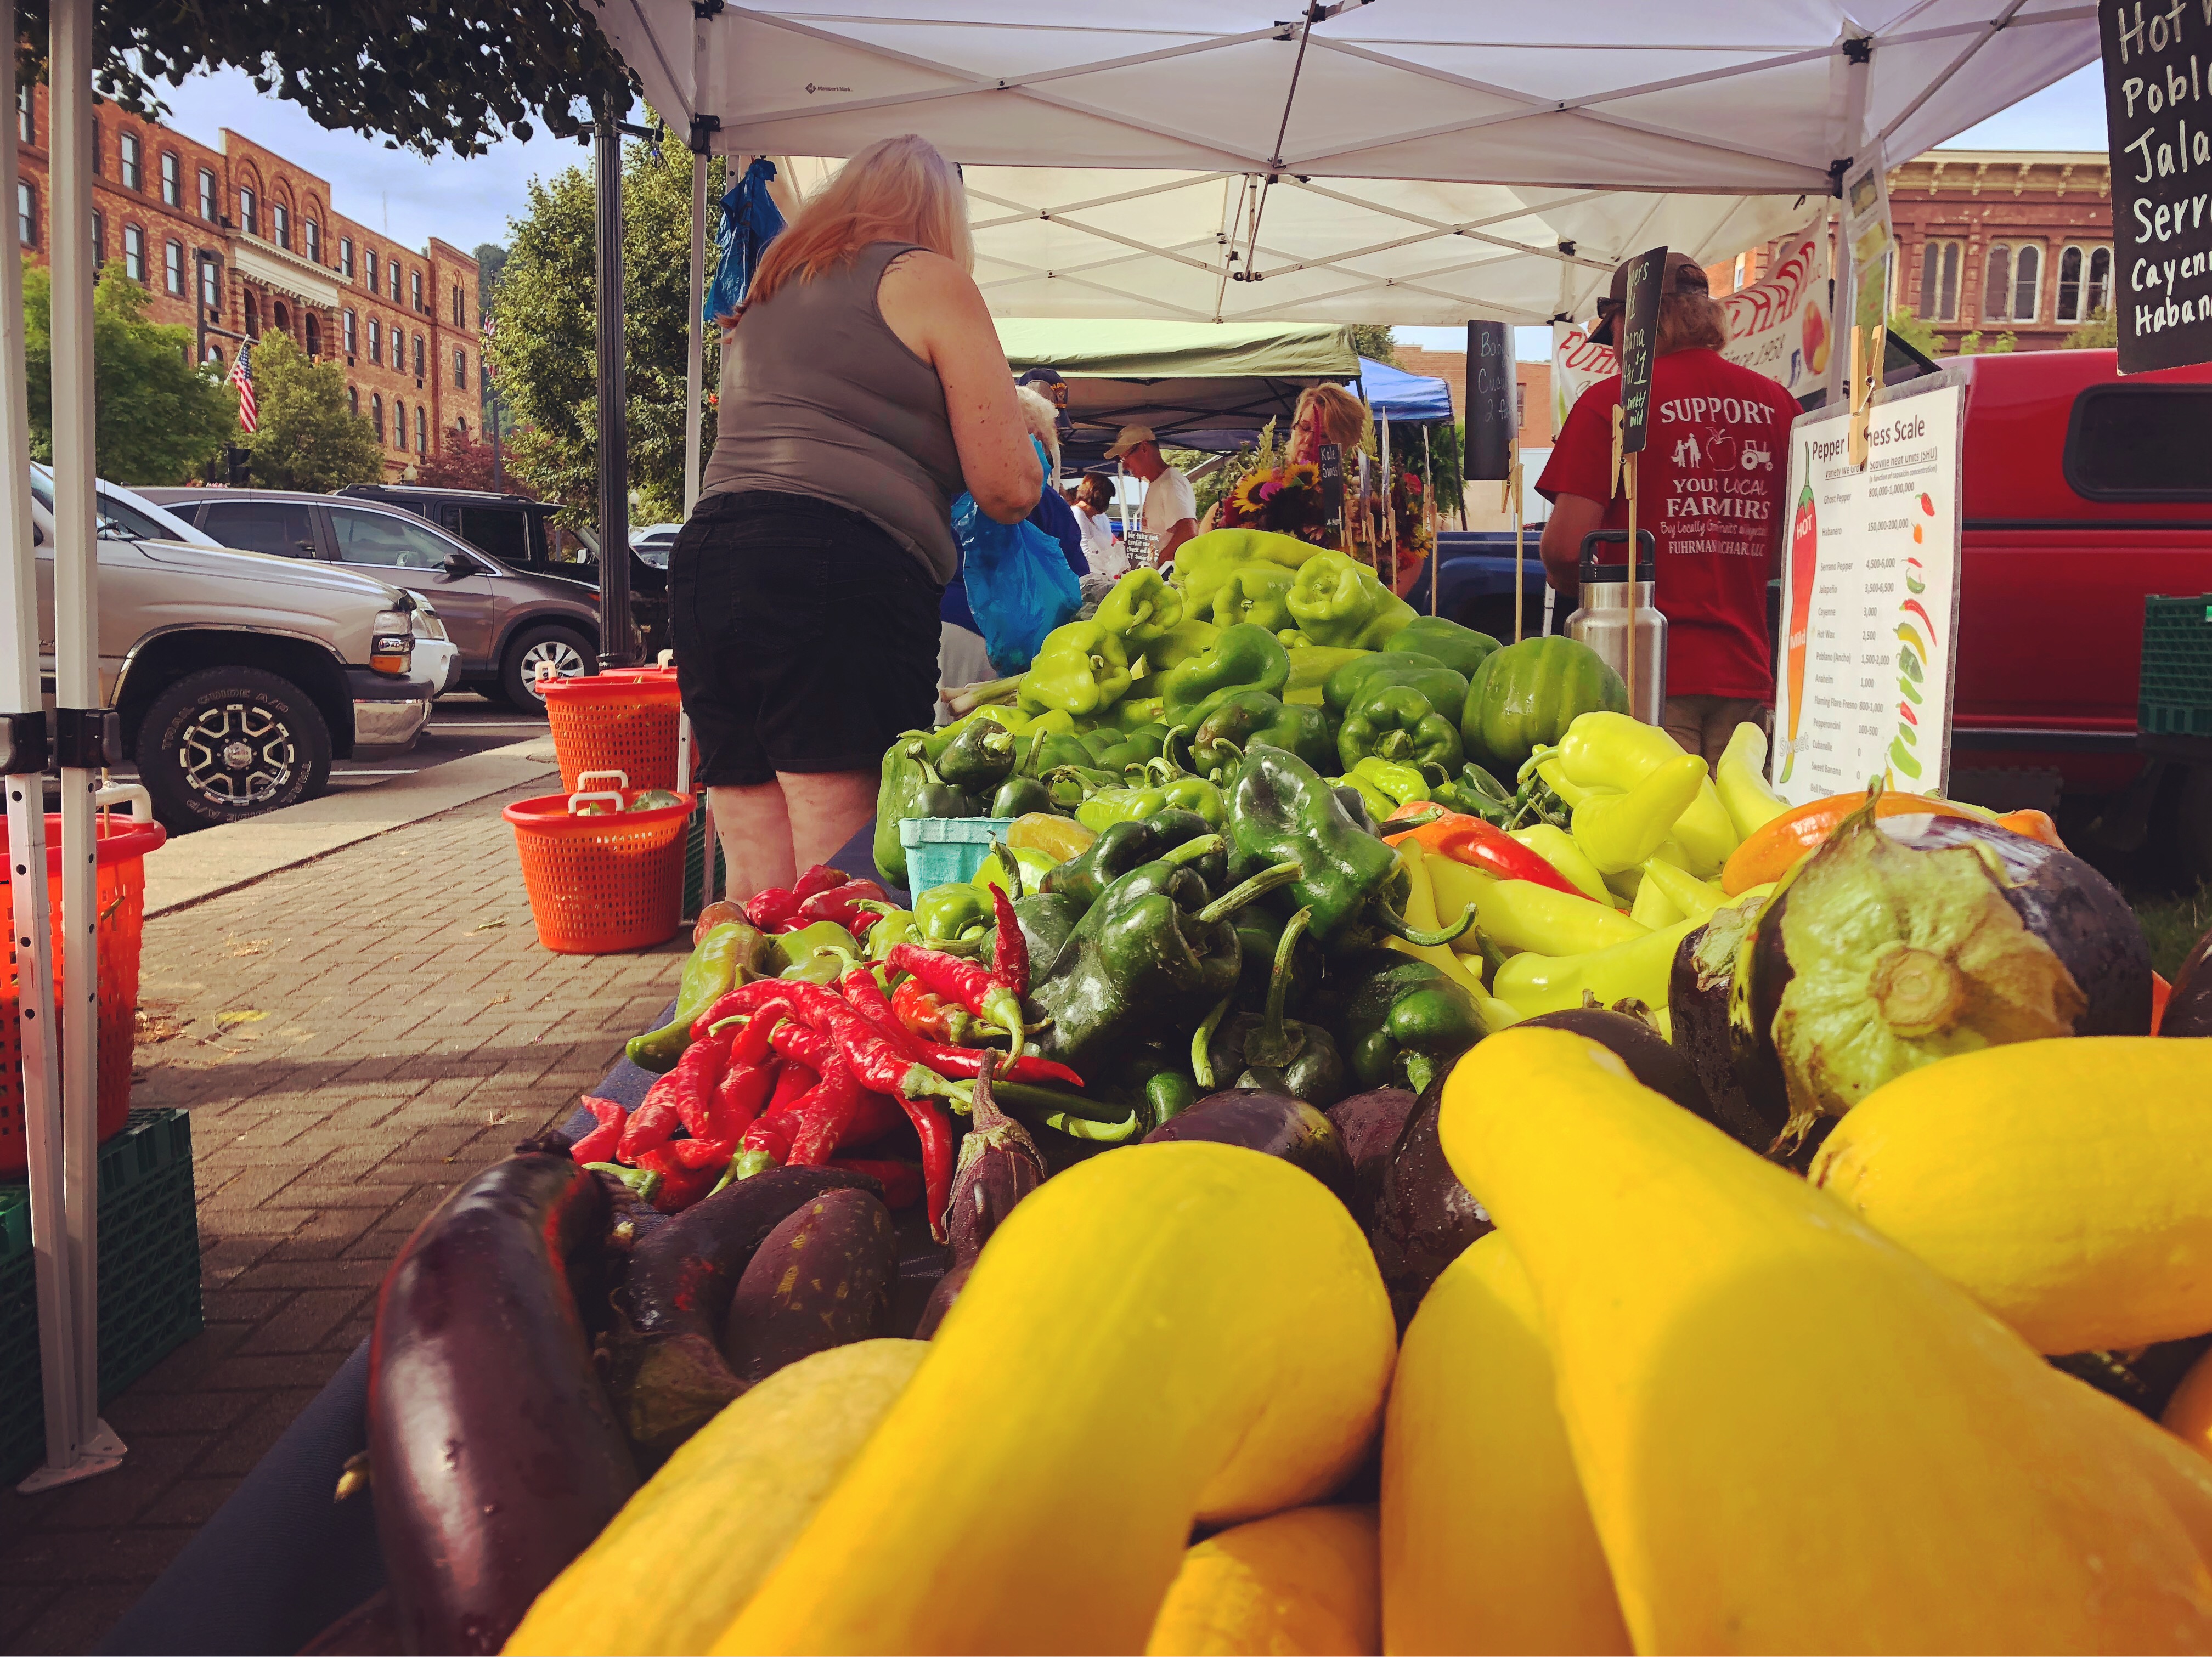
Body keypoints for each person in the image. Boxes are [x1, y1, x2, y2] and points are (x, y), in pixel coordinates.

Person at [674, 133, 1042, 902]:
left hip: (711, 563)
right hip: (835, 571)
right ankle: (828, 1019)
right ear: (944, 217)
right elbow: (1009, 486)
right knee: (839, 874)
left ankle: (736, 1017)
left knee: (750, 875)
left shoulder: (769, 287)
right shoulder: (929, 277)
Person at [1536, 249, 1798, 766]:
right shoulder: (1779, 405)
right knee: (1740, 837)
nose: (1611, 348)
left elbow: (1568, 550)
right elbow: (1783, 555)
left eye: (1611, 330)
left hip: (1640, 672)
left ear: (1633, 326)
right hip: (1747, 672)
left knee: (1662, 837)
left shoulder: (1609, 404)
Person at [936, 384, 1082, 706]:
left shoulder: (944, 487)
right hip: (1003, 653)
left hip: (937, 629)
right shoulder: (1042, 500)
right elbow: (1079, 582)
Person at [1105, 425, 1197, 568]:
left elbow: (1189, 532)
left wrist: (1159, 564)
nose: (1125, 466)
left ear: (1144, 448)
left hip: (1168, 578)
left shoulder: (1170, 482)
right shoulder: (1157, 482)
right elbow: (1158, 535)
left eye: (1125, 458)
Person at [1070, 473, 1125, 576]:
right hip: (1091, 576)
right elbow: (1084, 551)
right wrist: (1103, 574)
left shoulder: (1101, 517)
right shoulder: (1077, 513)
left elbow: (1108, 546)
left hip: (1107, 574)